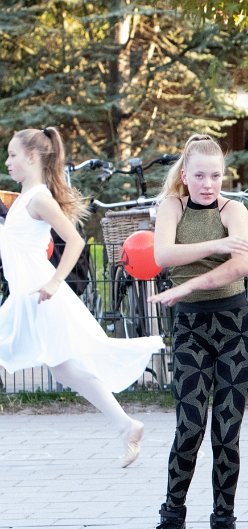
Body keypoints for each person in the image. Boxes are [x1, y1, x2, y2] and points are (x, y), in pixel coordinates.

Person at [0, 127, 161, 466]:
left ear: (31, 157)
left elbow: (74, 241)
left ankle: (126, 425)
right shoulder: (24, 198)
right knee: (64, 367)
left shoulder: (39, 198)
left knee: (65, 365)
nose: (7, 161)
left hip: (39, 293)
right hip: (26, 294)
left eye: (13, 155)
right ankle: (127, 425)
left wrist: (56, 282)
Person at [147, 133, 248, 529]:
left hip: (234, 328)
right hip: (191, 328)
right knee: (189, 427)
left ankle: (224, 521)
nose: (208, 184)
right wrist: (217, 245)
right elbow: (163, 255)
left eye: (215, 175)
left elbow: (241, 266)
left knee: (226, 432)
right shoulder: (172, 207)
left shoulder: (236, 211)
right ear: (185, 175)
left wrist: (188, 284)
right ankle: (171, 520)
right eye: (199, 176)